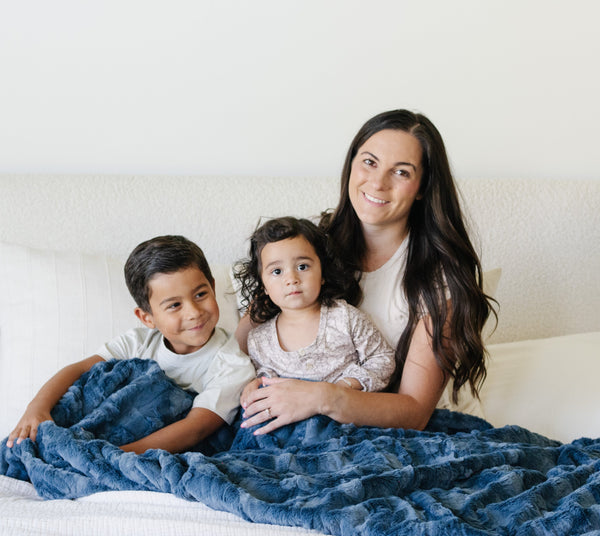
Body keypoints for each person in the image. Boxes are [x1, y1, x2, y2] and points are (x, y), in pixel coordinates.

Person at [236, 109, 496, 435]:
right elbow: (242, 345)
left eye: (401, 172)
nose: (377, 183)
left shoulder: (441, 280)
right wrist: (248, 384)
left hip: (400, 431)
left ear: (421, 187)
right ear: (351, 165)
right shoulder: (309, 250)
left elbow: (415, 411)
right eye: (369, 162)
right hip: (305, 426)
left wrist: (323, 397)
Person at [7, 235, 255, 454]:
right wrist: (37, 409)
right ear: (147, 317)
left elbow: (196, 428)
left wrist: (118, 454)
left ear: (212, 287)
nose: (193, 312)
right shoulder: (137, 342)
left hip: (156, 450)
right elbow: (79, 370)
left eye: (200, 295)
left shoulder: (233, 363)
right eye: (174, 305)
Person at [234, 216, 395, 401]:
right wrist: (256, 387)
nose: (291, 278)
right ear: (264, 286)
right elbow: (264, 382)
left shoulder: (345, 318)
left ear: (322, 274)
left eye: (302, 266)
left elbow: (383, 359)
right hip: (291, 423)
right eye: (277, 271)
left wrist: (344, 386)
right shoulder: (259, 340)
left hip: (342, 413)